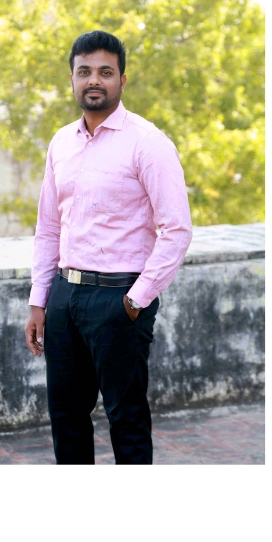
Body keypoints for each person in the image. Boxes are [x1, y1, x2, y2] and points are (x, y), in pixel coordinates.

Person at [25, 30, 192, 465]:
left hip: (119, 298)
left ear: (122, 79)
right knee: (66, 417)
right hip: (64, 297)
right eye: (84, 72)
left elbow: (177, 230)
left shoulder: (147, 142)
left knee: (127, 419)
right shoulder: (61, 142)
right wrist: (40, 301)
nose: (94, 80)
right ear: (72, 79)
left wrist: (135, 301)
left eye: (105, 71)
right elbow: (48, 227)